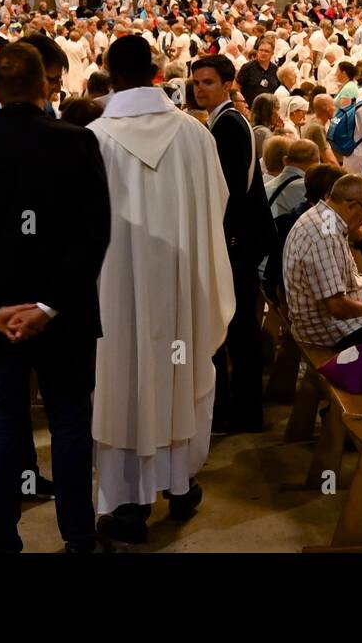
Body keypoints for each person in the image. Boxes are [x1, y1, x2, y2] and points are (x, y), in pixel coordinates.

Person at [0, 42, 110, 553]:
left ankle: (2, 542)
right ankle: (79, 540)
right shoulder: (76, 143)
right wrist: (49, 305)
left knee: (3, 425)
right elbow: (94, 233)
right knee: (71, 424)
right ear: (43, 85)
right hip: (64, 315)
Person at [88, 36, 234, 543]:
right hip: (181, 286)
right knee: (179, 371)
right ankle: (180, 484)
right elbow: (217, 203)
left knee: (124, 380)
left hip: (116, 294)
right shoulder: (195, 136)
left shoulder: (93, 139)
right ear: (154, 70)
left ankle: (128, 507)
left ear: (108, 72)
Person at [191, 54, 278, 434]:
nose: (200, 89)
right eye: (196, 83)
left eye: (208, 82)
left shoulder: (227, 125)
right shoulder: (224, 121)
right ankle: (238, 408)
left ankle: (242, 411)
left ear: (228, 84)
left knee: (238, 326)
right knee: (236, 324)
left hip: (238, 238)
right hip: (241, 235)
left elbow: (225, 192)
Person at [282, 173, 362, 348]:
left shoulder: (326, 216)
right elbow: (337, 307)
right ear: (350, 205)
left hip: (336, 322)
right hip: (331, 330)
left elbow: (359, 235)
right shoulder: (323, 234)